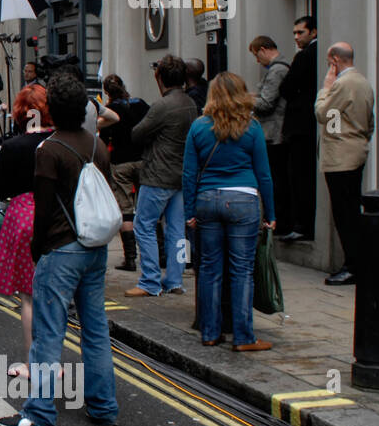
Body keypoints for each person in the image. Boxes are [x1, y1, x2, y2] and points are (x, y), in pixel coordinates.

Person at [0, 72, 118, 426]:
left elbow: (45, 210)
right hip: (95, 249)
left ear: (51, 109)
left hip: (61, 251)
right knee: (95, 330)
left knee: (49, 332)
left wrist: (38, 250)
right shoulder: (96, 145)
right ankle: (103, 406)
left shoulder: (48, 150)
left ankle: (39, 412)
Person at [181, 71, 275, 351]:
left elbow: (188, 174)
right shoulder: (252, 127)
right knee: (241, 270)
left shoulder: (198, 127)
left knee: (209, 269)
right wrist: (270, 213)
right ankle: (244, 337)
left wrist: (189, 212)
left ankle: (210, 333)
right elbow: (264, 174)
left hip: (207, 200)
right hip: (244, 201)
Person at [0, 85, 54, 378]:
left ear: (19, 113)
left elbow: (1, 191)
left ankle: (33, 364)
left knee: (28, 297)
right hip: (59, 217)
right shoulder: (59, 142)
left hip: (24, 216)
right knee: (53, 295)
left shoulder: (13, 147)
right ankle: (52, 362)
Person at [125, 54, 195, 298]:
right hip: (181, 176)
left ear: (159, 77)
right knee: (176, 230)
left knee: (143, 226)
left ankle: (150, 281)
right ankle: (175, 280)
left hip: (158, 175)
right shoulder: (189, 103)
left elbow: (137, 134)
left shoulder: (162, 106)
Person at [315, 42, 375, 286]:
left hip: (341, 157)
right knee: (350, 209)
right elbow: (366, 121)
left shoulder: (341, 84)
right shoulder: (363, 82)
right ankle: (357, 262)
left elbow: (324, 114)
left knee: (344, 213)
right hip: (356, 150)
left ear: (334, 60)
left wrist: (325, 89)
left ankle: (353, 265)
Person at [99, 74, 150, 272]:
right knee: (149, 208)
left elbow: (103, 138)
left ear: (106, 92)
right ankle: (161, 252)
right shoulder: (140, 104)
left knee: (125, 209)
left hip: (121, 162)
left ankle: (130, 258)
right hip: (142, 159)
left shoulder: (111, 110)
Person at [278, 16, 318, 241]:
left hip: (301, 126)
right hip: (306, 125)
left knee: (300, 176)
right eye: (294, 33)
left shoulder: (305, 56)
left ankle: (302, 224)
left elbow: (287, 87)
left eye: (300, 32)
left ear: (313, 32)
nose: (296, 37)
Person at [248, 36, 291, 236]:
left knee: (274, 178)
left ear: (264, 50)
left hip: (273, 132)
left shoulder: (277, 71)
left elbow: (266, 103)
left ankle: (278, 219)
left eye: (257, 55)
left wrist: (244, 100)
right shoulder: (277, 69)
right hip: (273, 130)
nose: (257, 61)